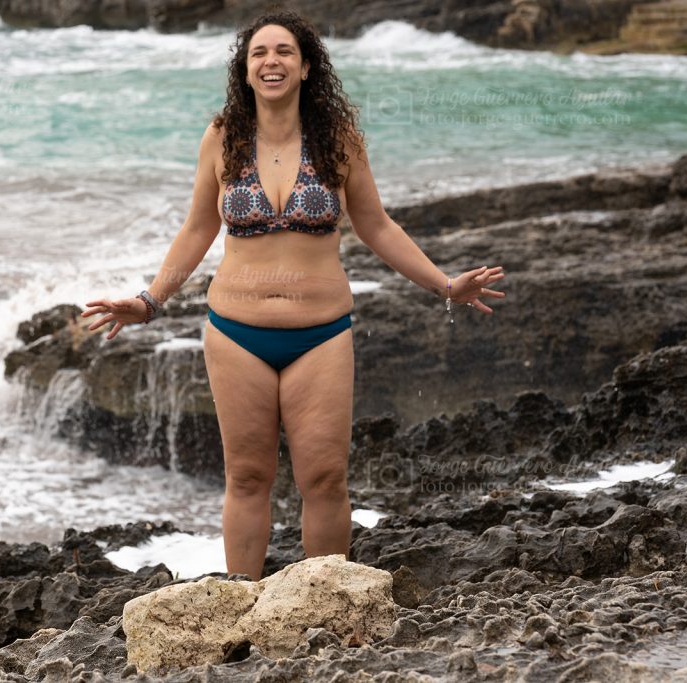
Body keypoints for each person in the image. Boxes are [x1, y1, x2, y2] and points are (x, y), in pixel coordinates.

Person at [81, 9, 505, 581]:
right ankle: (243, 602)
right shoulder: (223, 137)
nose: (271, 61)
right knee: (247, 478)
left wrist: (445, 285)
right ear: (245, 69)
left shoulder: (338, 139)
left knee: (324, 479)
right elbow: (198, 228)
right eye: (259, 53)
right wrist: (150, 301)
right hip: (236, 335)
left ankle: (325, 602)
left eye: (284, 51)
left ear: (306, 67)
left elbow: (376, 225)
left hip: (321, 336)